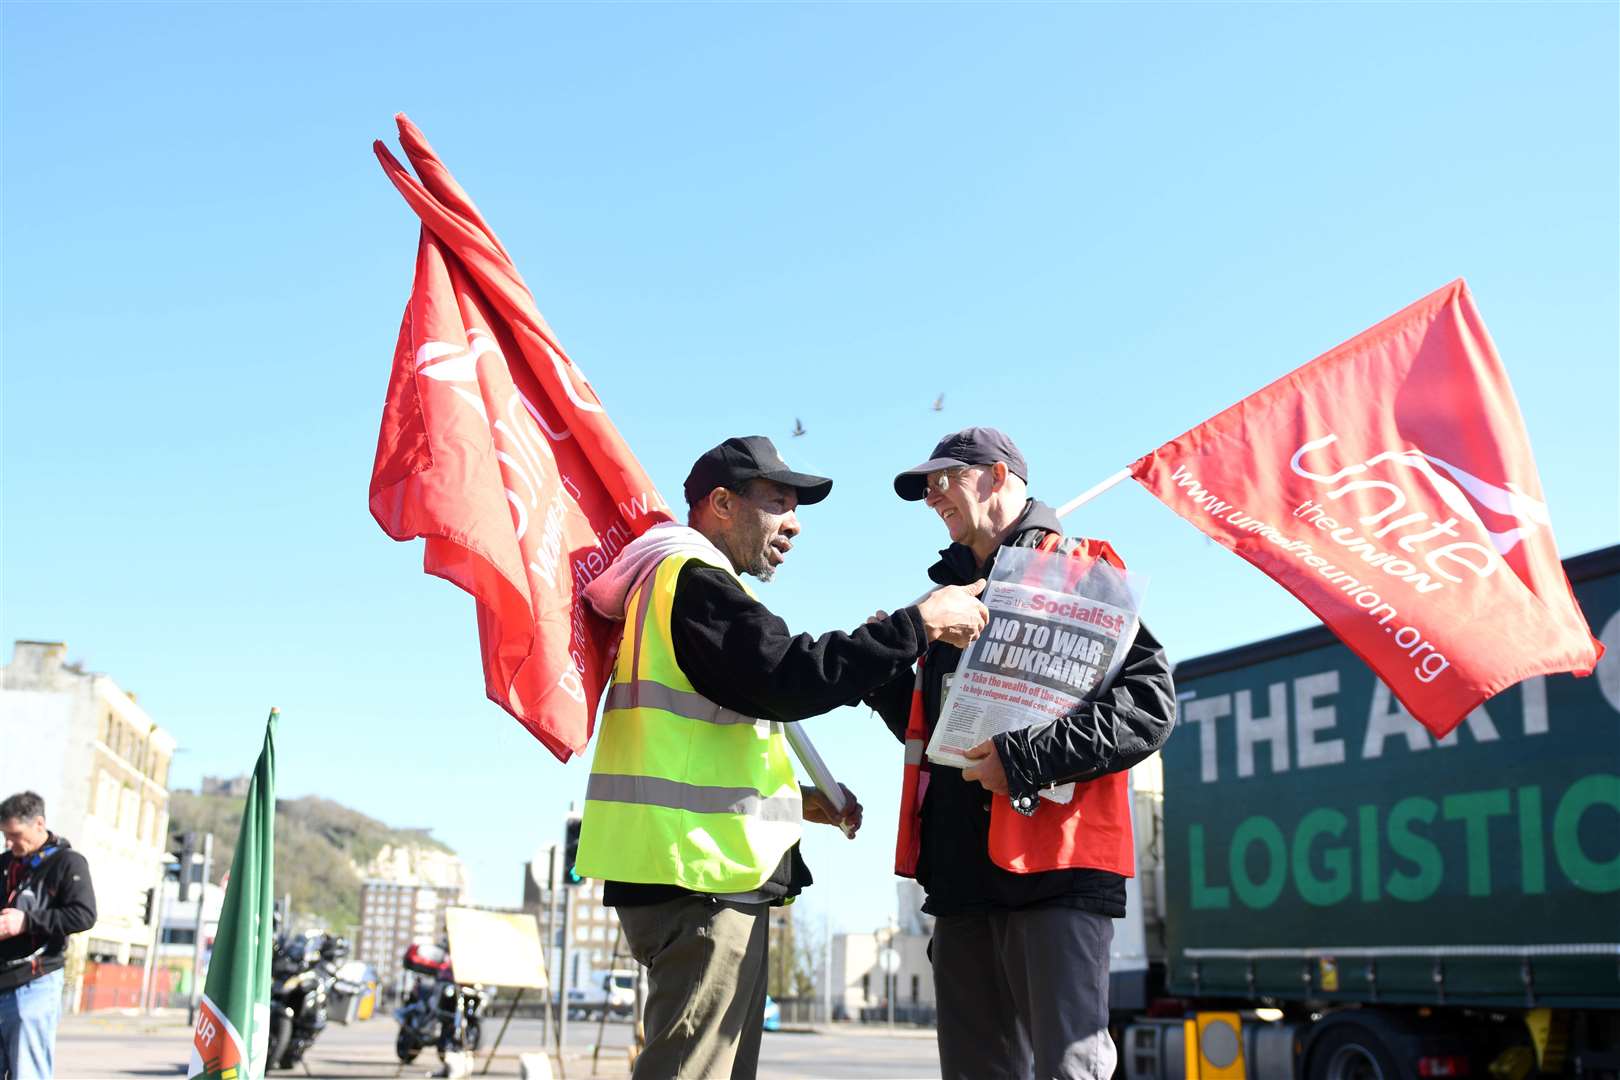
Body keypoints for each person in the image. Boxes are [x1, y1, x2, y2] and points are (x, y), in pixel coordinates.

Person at [575, 434, 988, 1080]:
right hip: (700, 881)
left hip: (683, 871)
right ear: (720, 504)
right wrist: (916, 625)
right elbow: (788, 673)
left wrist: (798, 800)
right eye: (777, 502)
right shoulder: (695, 583)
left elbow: (694, 749)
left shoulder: (670, 589)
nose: (793, 523)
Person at [864, 427, 1176, 1080]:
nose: (931, 497)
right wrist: (886, 683)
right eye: (925, 487)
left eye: (943, 479)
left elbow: (1149, 707)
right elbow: (944, 743)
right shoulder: (945, 603)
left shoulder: (1084, 571)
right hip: (958, 881)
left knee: (1069, 1071)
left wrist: (1027, 759)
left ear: (997, 477)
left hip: (1055, 873)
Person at [0, 791, 97, 1080]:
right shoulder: (4, 864)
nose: (9, 842)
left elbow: (84, 915)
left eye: (15, 834)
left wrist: (27, 921)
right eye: (5, 835)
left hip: (35, 982)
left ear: (39, 824)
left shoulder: (68, 863)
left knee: (27, 1071)